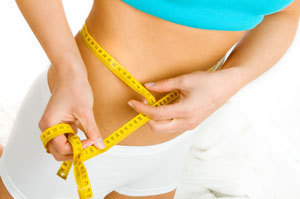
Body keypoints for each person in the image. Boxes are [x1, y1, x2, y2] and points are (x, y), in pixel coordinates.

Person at [0, 0, 300, 198]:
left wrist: (233, 78)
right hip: (74, 136)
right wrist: (68, 70)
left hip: (170, 150)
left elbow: (287, 12)